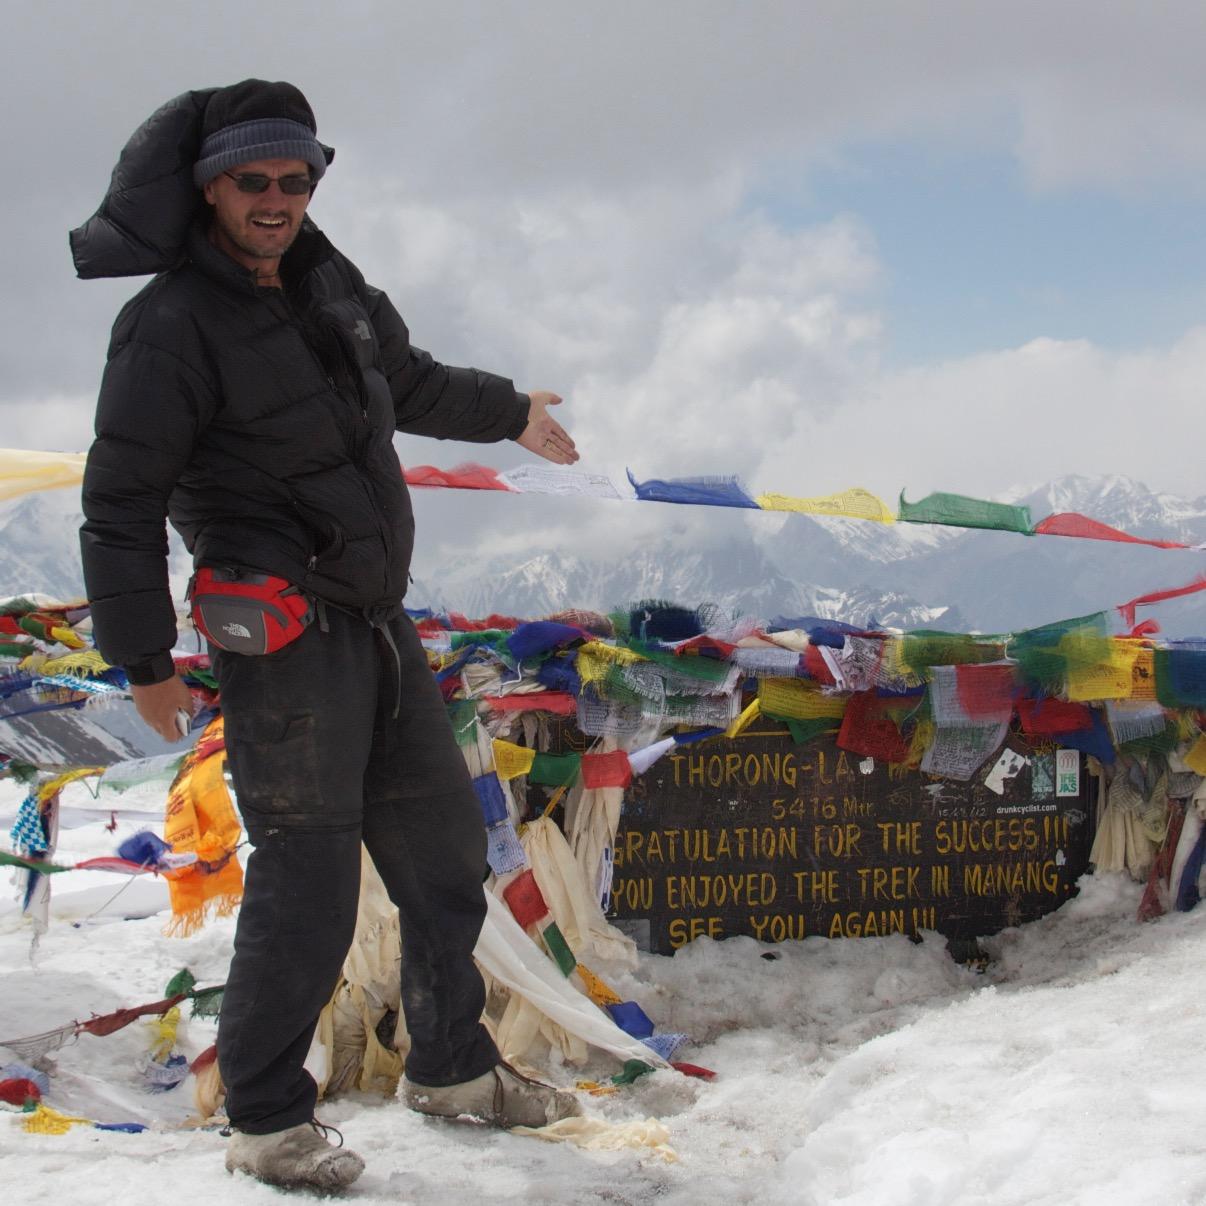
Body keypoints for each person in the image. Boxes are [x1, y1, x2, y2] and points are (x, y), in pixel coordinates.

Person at [74, 79, 581, 1192]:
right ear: (210, 188)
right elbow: (120, 500)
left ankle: (452, 1068)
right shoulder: (167, 323)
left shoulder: (331, 285)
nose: (275, 199)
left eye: (294, 180)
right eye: (252, 181)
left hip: (375, 618)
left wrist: (508, 412)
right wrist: (145, 660)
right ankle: (264, 1122)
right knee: (305, 881)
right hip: (284, 638)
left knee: (446, 860)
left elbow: (399, 380)